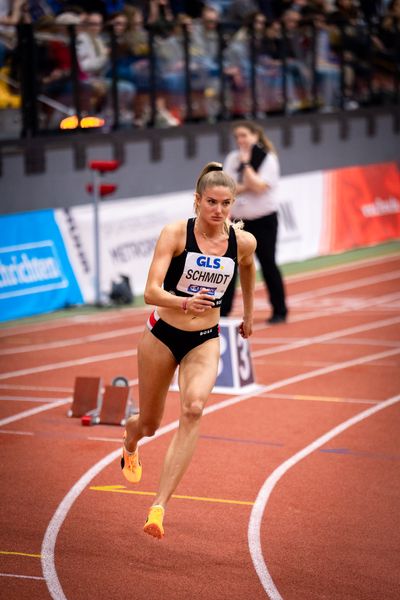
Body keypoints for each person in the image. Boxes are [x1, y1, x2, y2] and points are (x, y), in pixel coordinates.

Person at [121, 161, 257, 539]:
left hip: (205, 338)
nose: (219, 210)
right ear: (197, 201)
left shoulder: (242, 240)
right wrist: (183, 302)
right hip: (163, 333)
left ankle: (158, 507)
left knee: (194, 408)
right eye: (211, 202)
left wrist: (248, 312)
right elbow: (149, 292)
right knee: (149, 424)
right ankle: (129, 442)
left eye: (226, 203)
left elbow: (248, 266)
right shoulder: (175, 234)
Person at [222, 120, 288, 324]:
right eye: (237, 137)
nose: (240, 140)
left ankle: (279, 310)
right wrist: (247, 184)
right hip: (239, 221)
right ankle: (223, 312)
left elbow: (260, 187)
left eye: (244, 135)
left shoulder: (268, 159)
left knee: (267, 263)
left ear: (255, 136)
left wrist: (247, 165)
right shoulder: (232, 158)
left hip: (264, 220)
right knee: (229, 265)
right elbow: (227, 186)